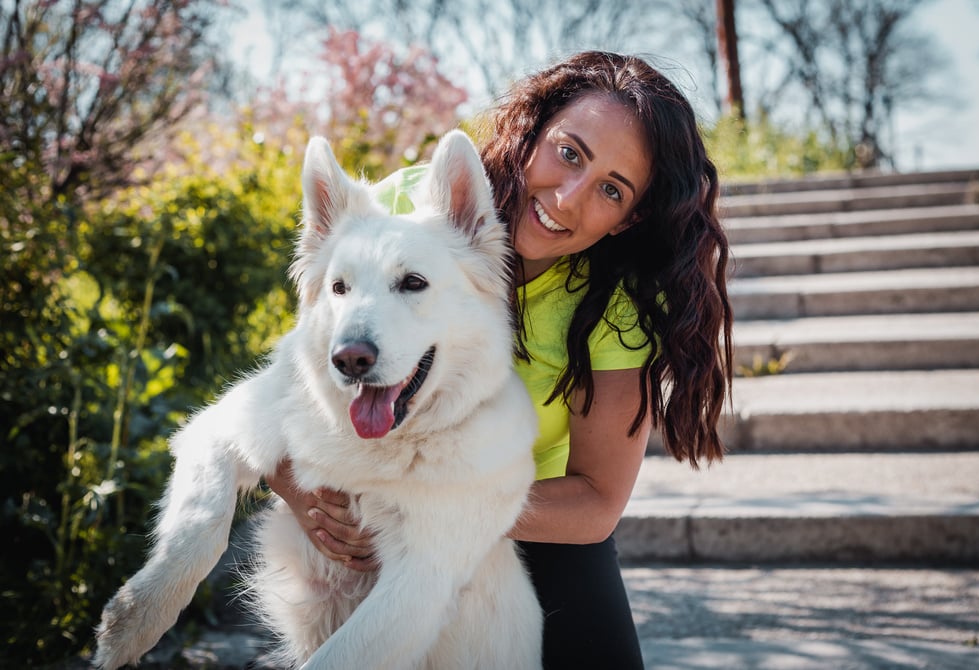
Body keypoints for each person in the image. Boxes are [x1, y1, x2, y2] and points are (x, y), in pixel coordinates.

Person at [267, 50, 733, 669]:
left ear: (631, 218)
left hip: (527, 517)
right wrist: (304, 496)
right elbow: (276, 399)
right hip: (356, 502)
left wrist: (437, 510)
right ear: (533, 129)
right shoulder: (405, 208)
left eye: (610, 191)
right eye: (569, 153)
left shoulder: (614, 312)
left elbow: (595, 501)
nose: (568, 199)